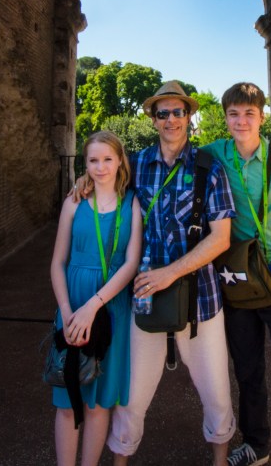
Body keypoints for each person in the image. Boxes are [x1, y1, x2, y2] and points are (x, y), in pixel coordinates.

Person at [107, 81, 237, 466]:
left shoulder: (208, 168)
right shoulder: (135, 165)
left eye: (178, 112)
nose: (171, 120)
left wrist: (171, 273)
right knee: (131, 397)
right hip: (146, 296)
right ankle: (120, 460)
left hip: (200, 300)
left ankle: (219, 460)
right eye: (162, 113)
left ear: (188, 115)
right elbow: (104, 188)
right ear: (153, 119)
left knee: (217, 394)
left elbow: (221, 238)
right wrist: (83, 183)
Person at [201, 82, 271, 466]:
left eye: (249, 113)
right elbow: (171, 156)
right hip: (238, 275)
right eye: (233, 114)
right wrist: (95, 179)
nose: (241, 121)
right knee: (247, 371)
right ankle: (257, 446)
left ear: (262, 116)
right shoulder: (214, 155)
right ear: (225, 118)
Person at [50, 130, 143, 466]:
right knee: (66, 399)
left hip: (110, 306)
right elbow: (58, 263)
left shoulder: (132, 203)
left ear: (120, 161)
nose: (100, 167)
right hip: (72, 304)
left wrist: (93, 306)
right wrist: (67, 312)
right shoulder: (73, 203)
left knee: (98, 403)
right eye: (93, 160)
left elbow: (131, 263)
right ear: (85, 163)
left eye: (107, 159)